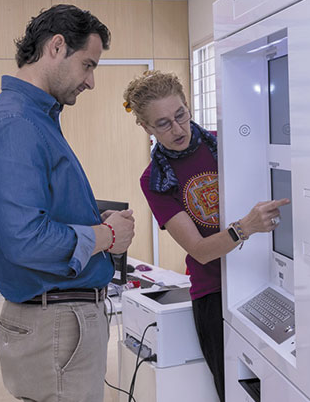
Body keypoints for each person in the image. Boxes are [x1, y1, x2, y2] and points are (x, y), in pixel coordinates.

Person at [0, 4, 135, 402]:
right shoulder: (18, 125)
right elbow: (25, 240)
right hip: (56, 324)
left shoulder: (35, 119)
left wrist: (93, 221)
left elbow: (39, 214)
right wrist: (106, 236)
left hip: (57, 323)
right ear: (57, 47)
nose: (91, 81)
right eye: (87, 65)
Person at [122, 71, 289, 401]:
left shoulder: (226, 143)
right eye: (163, 124)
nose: (178, 129)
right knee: (232, 391)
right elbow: (199, 250)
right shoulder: (154, 180)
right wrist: (246, 227)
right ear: (145, 127)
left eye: (180, 115)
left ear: (188, 105)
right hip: (213, 292)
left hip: (265, 277)